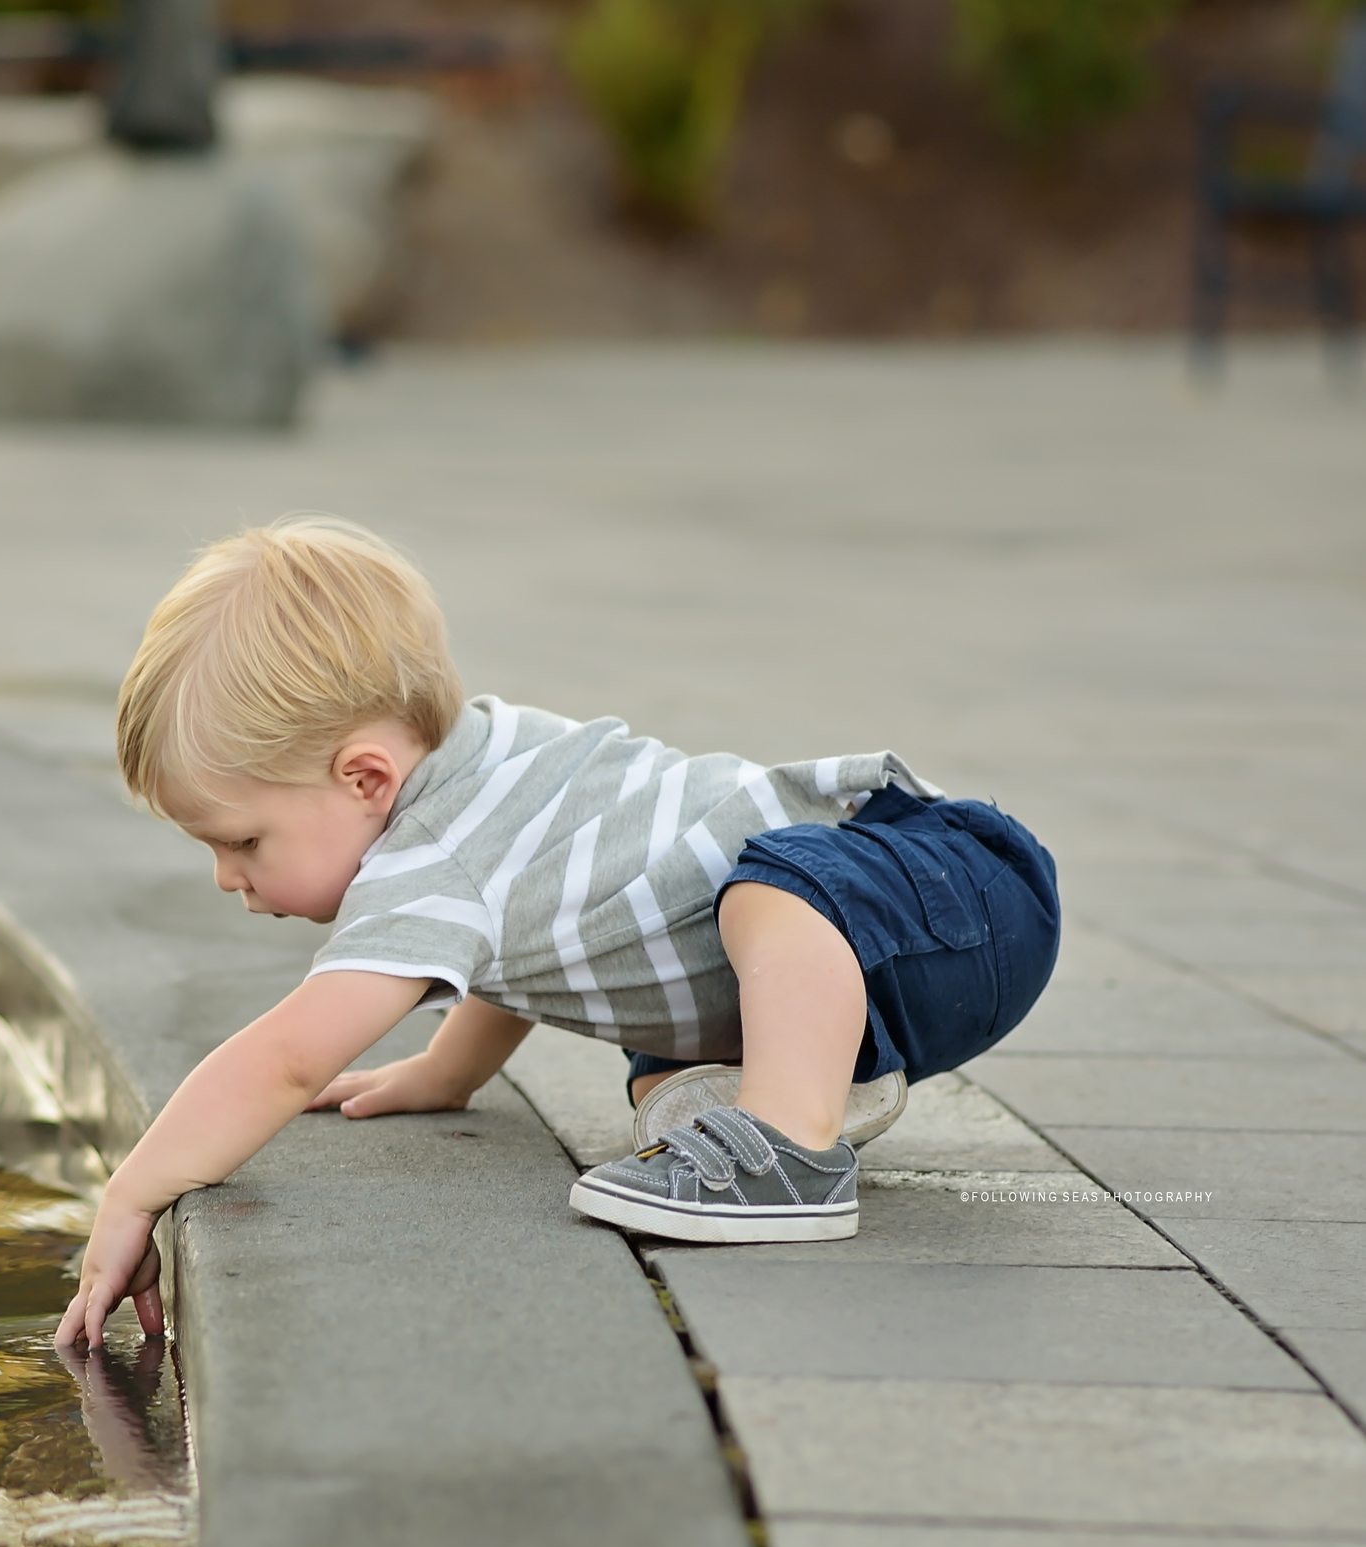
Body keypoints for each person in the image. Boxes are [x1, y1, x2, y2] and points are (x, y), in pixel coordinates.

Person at [55, 516, 1060, 1349]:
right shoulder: (476, 764)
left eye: (241, 840)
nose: (227, 879)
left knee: (770, 892)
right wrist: (445, 1076)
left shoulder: (429, 856)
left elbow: (283, 1059)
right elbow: (519, 938)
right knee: (655, 1037)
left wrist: (136, 1189)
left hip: (947, 891)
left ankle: (790, 1151)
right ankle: (804, 1084)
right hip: (895, 943)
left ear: (362, 777)